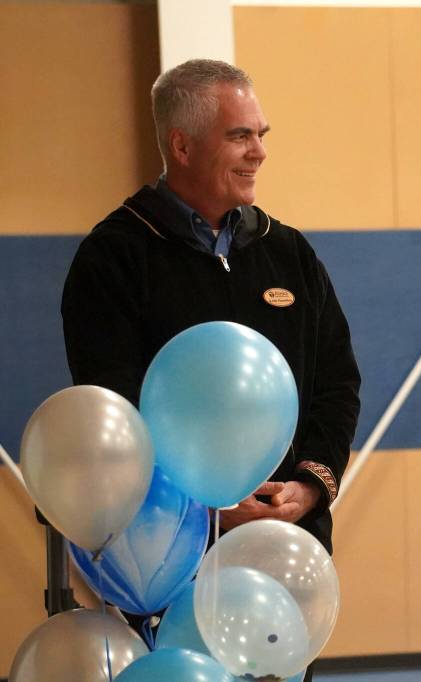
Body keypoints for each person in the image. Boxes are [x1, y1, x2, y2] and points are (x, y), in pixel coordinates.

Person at [61, 59, 360, 679]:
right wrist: (207, 512)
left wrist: (308, 486)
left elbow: (337, 384)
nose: (259, 152)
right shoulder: (114, 258)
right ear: (182, 145)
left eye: (261, 135)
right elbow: (114, 416)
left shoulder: (289, 253)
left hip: (283, 555)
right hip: (170, 568)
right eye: (239, 136)